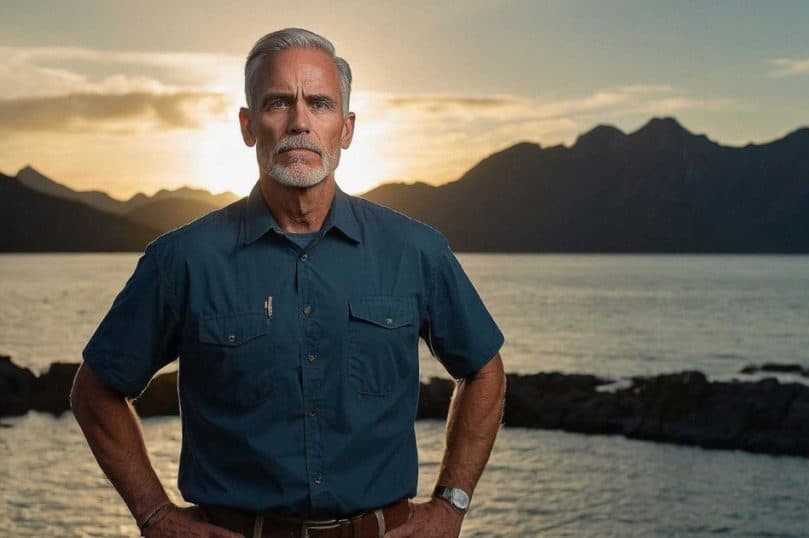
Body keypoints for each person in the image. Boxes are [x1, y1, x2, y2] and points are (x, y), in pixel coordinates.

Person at [70, 27, 506, 538]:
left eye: (319, 104)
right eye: (278, 102)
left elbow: (484, 372)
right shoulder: (183, 259)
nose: (300, 121)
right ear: (248, 124)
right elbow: (95, 391)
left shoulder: (416, 251)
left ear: (345, 128)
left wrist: (451, 505)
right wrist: (155, 515)